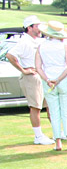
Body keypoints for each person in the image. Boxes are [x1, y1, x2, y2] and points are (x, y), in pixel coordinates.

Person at [5, 16, 51, 145]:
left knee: (49, 105)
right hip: (31, 76)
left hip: (41, 75)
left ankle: (59, 132)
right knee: (35, 107)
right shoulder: (24, 42)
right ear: (30, 28)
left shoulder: (37, 41)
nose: (40, 28)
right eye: (37, 25)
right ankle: (38, 136)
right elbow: (10, 55)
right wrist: (24, 70)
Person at [34, 21, 67, 151]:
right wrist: (58, 79)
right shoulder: (65, 46)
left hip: (49, 80)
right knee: (66, 110)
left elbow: (38, 67)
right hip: (63, 79)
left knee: (54, 111)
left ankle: (58, 142)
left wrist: (47, 79)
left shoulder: (41, 46)